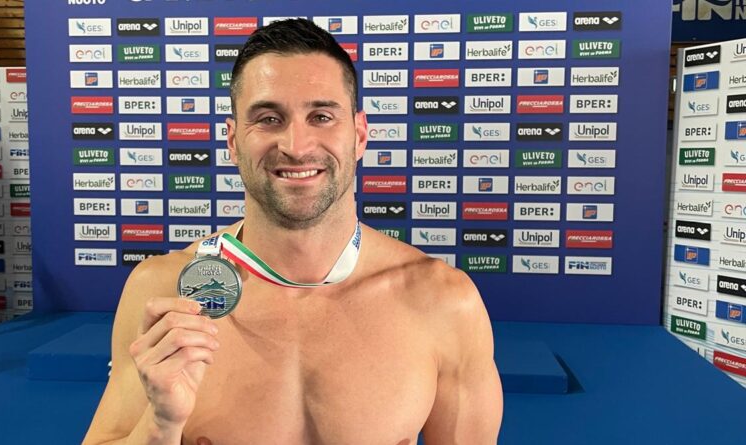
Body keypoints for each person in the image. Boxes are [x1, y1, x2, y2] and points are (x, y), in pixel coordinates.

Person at [83, 18, 502, 445]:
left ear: (359, 135)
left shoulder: (443, 302)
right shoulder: (163, 292)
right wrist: (159, 425)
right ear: (233, 140)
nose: (296, 146)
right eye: (269, 118)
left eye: (321, 116)